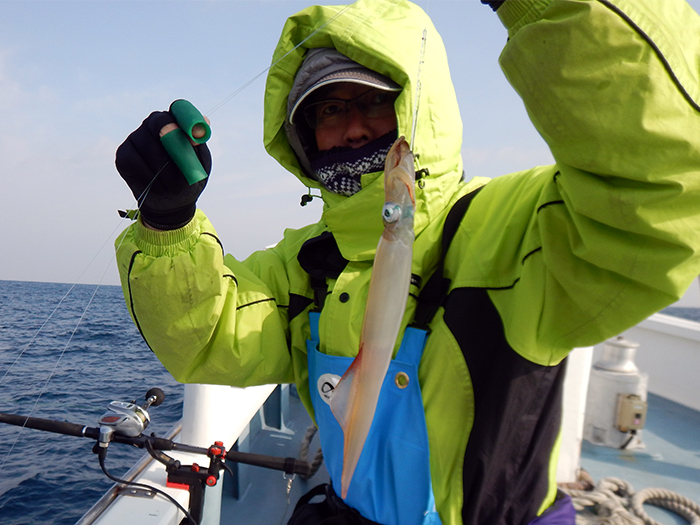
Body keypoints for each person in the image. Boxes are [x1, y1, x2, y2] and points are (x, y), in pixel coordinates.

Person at [114, 0, 700, 524]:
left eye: (376, 100)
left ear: (418, 108)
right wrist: (168, 225)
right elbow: (209, 336)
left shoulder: (512, 226)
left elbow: (659, 188)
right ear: (305, 137)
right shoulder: (309, 260)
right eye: (329, 110)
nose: (353, 128)